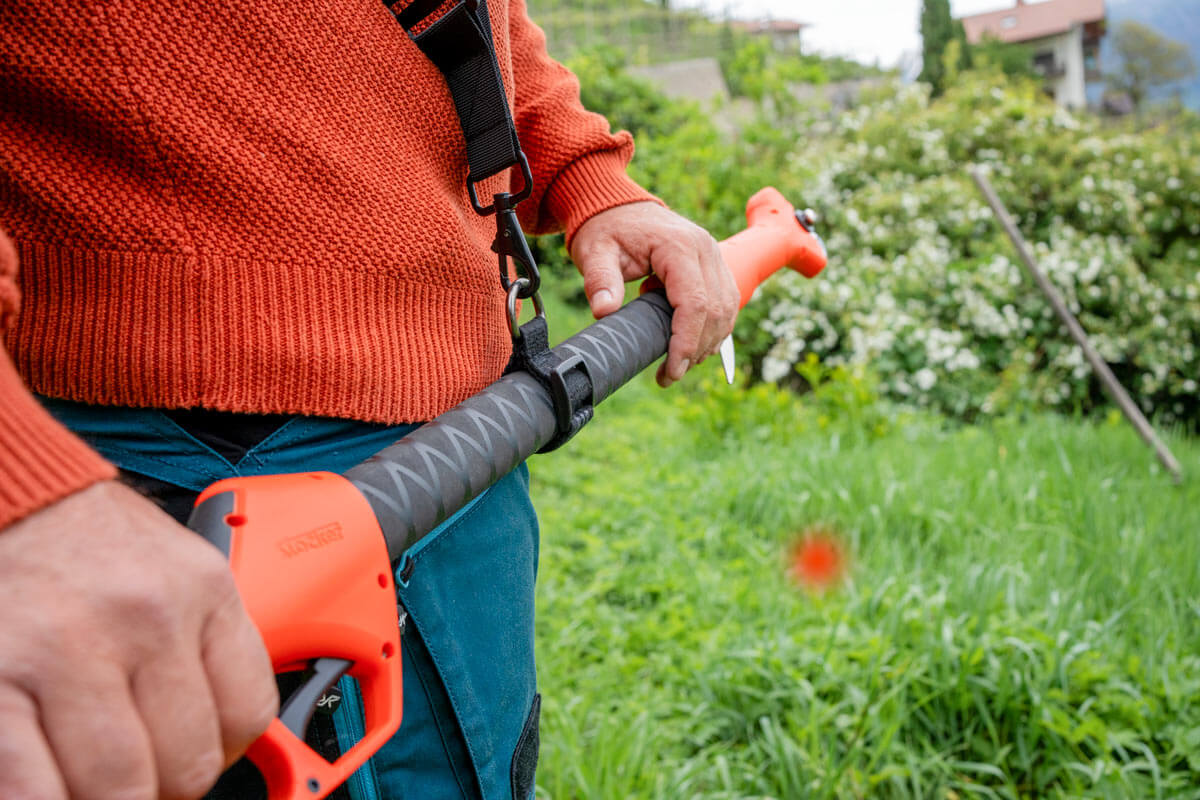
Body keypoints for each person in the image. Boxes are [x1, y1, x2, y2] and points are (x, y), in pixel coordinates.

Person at [0, 1, 739, 798]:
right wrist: (26, 485)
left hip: (471, 446)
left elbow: (484, 21)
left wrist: (582, 172)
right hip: (150, 482)